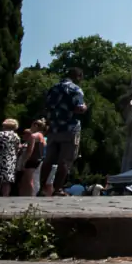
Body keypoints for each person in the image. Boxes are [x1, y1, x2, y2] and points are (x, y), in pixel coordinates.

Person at [41, 67, 87, 197]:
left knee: (48, 160)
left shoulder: (54, 88)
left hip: (54, 128)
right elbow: (79, 108)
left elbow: (46, 106)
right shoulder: (75, 89)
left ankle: (42, 189)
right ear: (78, 76)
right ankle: (58, 189)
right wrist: (84, 107)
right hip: (69, 128)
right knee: (65, 160)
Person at [0, 120, 20, 197]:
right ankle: (5, 198)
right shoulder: (16, 136)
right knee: (6, 181)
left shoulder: (1, 134)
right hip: (10, 160)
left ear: (4, 126)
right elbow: (17, 149)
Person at [15, 120, 45, 198]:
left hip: (31, 160)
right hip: (39, 159)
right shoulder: (42, 136)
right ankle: (28, 195)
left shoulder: (33, 136)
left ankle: (30, 196)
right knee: (33, 179)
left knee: (28, 180)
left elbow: (30, 150)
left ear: (35, 126)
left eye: (31, 126)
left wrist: (24, 161)